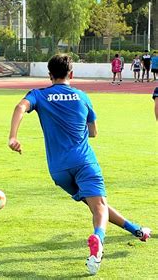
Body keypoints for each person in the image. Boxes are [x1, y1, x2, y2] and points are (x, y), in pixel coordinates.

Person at [8, 54, 151, 275]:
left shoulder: (39, 95)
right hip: (83, 161)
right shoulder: (82, 97)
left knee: (95, 205)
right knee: (99, 206)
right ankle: (98, 244)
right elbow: (93, 132)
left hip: (58, 170)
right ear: (71, 74)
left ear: (49, 75)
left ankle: (137, 230)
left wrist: (13, 137)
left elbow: (19, 107)